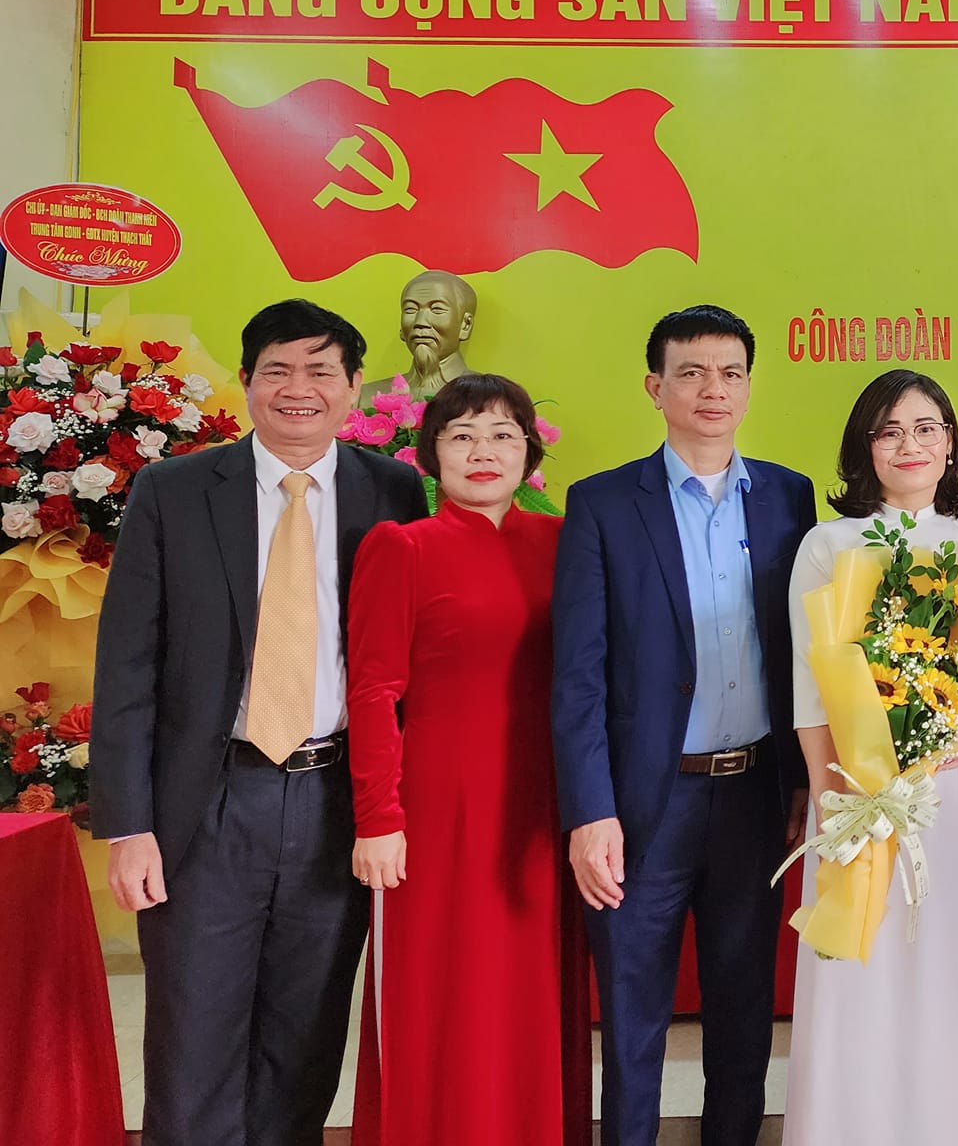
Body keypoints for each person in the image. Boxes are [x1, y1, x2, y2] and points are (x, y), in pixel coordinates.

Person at [92, 298, 429, 1146]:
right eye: (277, 370)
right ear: (246, 381)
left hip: (333, 799)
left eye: (320, 370)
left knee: (304, 1040)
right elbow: (127, 666)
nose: (297, 389)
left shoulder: (392, 491)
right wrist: (128, 827)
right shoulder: (173, 492)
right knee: (193, 1038)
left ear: (354, 387)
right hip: (205, 802)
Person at [551, 305, 816, 1146]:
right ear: (655, 387)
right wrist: (591, 811)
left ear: (749, 387)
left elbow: (805, 655)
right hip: (644, 802)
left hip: (754, 796)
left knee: (743, 1014)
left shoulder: (789, 497)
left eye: (731, 373)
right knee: (633, 1019)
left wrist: (803, 781)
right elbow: (578, 675)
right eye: (692, 372)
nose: (713, 389)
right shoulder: (602, 505)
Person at [345, 373, 591, 1146]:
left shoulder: (564, 544)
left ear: (529, 454)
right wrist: (377, 818)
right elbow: (372, 692)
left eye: (502, 435)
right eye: (462, 436)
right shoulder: (402, 547)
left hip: (545, 810)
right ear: (431, 454)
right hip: (438, 814)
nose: (483, 452)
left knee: (531, 995)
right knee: (446, 995)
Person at [783, 370, 958, 1146]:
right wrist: (829, 804)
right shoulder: (829, 544)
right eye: (890, 430)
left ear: (950, 444)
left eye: (927, 427)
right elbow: (811, 688)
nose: (911, 444)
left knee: (945, 965)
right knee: (857, 970)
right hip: (855, 790)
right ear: (864, 448)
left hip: (953, 793)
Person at [361, 269, 476, 406]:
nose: (420, 322)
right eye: (411, 309)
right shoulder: (365, 397)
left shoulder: (489, 396)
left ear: (465, 325)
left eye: (437, 309)